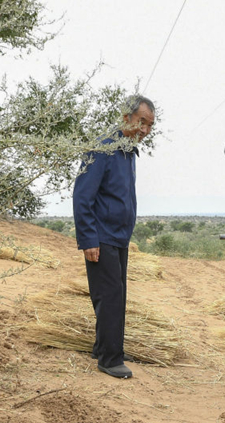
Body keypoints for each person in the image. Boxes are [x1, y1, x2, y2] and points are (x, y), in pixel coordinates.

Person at [73, 94, 155, 379]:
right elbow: (82, 196)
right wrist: (88, 239)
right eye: (141, 122)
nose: (145, 130)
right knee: (109, 297)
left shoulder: (128, 151)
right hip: (102, 236)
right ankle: (110, 359)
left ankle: (106, 347)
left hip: (119, 238)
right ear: (126, 118)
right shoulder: (103, 148)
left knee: (116, 296)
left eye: (150, 125)